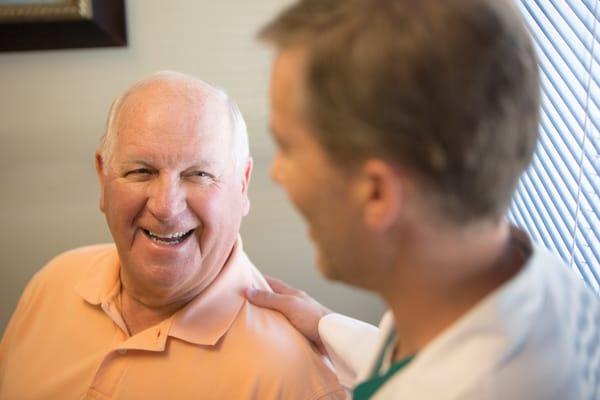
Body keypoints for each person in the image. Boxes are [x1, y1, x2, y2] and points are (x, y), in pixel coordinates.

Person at [246, 0, 600, 399]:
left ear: (377, 194)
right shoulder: (526, 278)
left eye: (288, 148)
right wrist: (325, 323)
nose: (276, 173)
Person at [0, 71, 344, 400]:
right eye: (140, 171)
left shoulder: (297, 379)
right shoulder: (52, 282)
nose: (166, 207)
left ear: (243, 184)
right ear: (103, 177)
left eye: (198, 174)